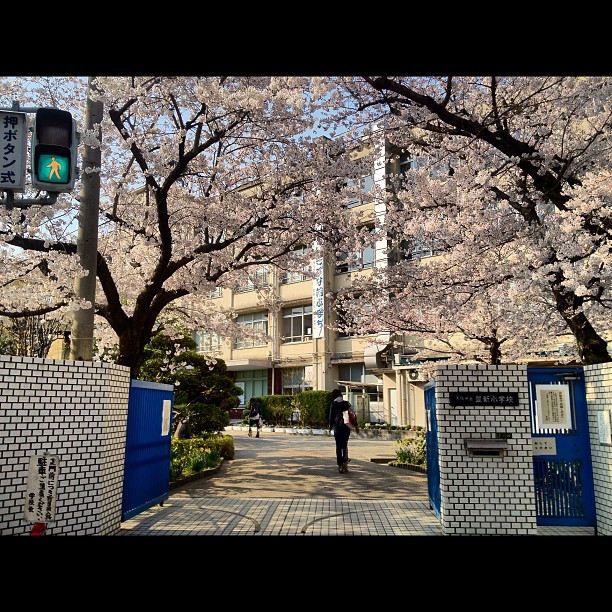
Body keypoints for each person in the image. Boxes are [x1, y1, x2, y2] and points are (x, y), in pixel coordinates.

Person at [328, 388, 356, 473]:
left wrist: (330, 427)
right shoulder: (346, 403)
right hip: (346, 427)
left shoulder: (334, 404)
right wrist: (356, 425)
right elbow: (352, 414)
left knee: (338, 446)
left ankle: (340, 465)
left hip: (337, 427)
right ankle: (345, 464)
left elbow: (331, 417)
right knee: (345, 445)